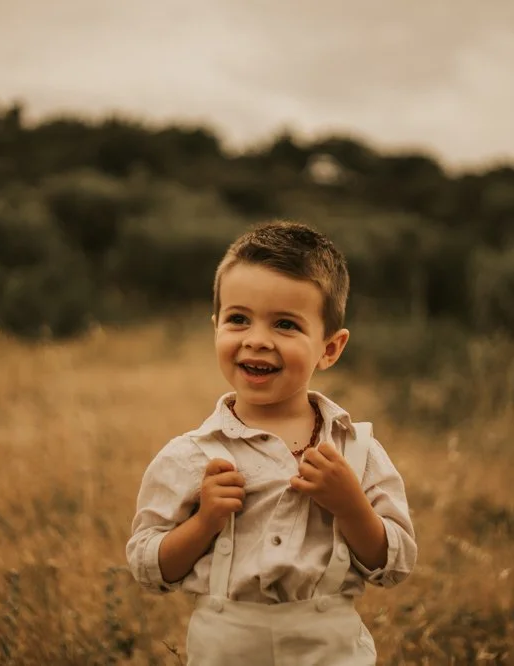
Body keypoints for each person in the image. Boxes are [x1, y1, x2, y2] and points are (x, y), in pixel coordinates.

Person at [125, 220, 417, 665]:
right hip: (225, 650)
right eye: (238, 319)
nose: (257, 341)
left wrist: (351, 505)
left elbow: (394, 566)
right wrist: (203, 523)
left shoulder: (355, 450)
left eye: (285, 324)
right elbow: (149, 569)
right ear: (216, 328)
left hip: (331, 653)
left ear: (330, 348)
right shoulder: (191, 455)